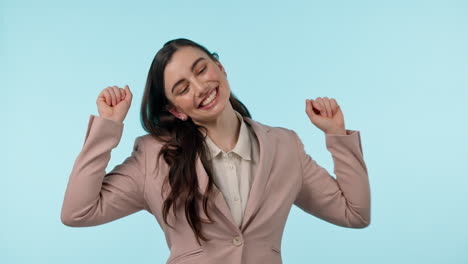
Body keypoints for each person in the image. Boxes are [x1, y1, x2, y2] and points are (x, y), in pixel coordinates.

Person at [60, 38, 370, 264]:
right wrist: (108, 127)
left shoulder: (285, 146)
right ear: (176, 110)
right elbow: (78, 212)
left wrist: (336, 136)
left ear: (219, 66)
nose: (199, 88)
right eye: (182, 88)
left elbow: (354, 213)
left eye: (201, 70)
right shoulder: (154, 157)